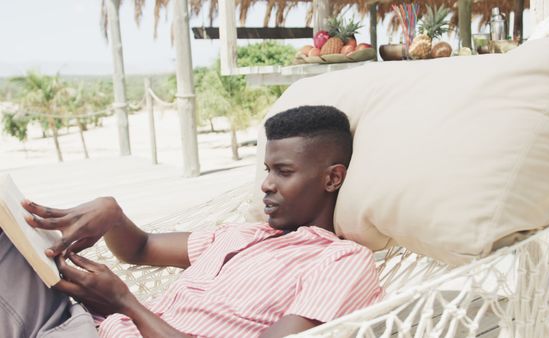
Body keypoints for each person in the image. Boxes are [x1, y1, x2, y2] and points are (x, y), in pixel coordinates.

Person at [0, 105, 383, 338]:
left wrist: (123, 302)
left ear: (332, 178)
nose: (266, 184)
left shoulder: (341, 260)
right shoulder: (242, 234)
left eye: (283, 172)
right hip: (80, 322)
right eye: (267, 169)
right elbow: (141, 247)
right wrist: (112, 213)